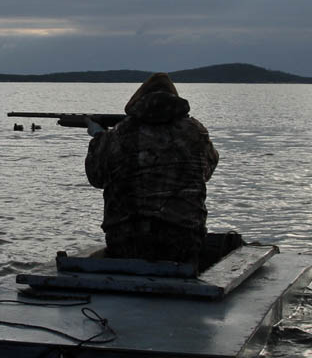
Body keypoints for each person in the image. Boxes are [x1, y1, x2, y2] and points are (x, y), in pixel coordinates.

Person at [84, 72, 219, 264]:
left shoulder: (118, 134)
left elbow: (96, 178)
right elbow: (206, 171)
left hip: (125, 243)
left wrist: (99, 137)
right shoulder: (195, 131)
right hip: (183, 243)